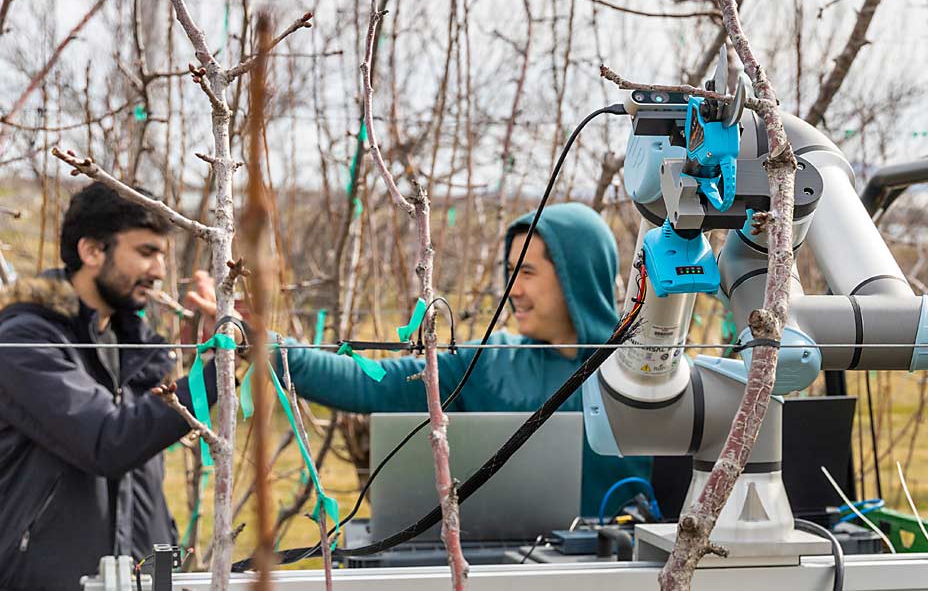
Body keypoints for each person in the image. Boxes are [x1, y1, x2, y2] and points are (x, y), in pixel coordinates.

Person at [192, 202, 651, 517]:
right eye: (510, 273)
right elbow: (367, 382)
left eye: (527, 272)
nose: (513, 290)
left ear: (578, 275)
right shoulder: (486, 363)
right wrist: (264, 343)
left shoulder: (645, 375)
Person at [0, 182, 218, 591]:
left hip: (139, 579)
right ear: (92, 251)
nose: (158, 271)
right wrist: (217, 371)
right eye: (145, 252)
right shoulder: (24, 342)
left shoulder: (133, 345)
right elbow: (107, 441)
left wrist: (207, 349)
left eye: (161, 255)